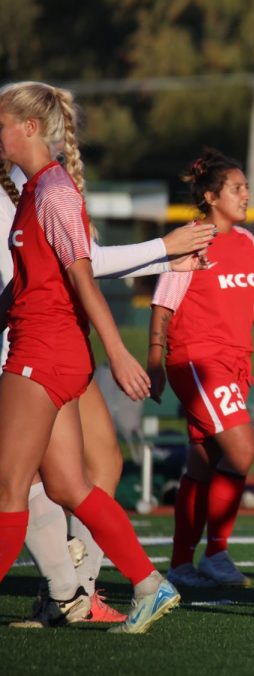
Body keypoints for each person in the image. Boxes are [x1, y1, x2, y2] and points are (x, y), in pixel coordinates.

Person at [0, 159, 213, 627]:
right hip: (46, 346)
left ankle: (70, 591)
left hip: (41, 349)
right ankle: (116, 586)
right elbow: (44, 276)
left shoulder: (47, 188)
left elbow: (84, 269)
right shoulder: (35, 189)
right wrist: (163, 252)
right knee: (64, 483)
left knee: (21, 484)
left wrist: (162, 252)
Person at [151, 148, 254, 590]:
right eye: (237, 188)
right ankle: (216, 553)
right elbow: (163, 304)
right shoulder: (194, 239)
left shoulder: (247, 243)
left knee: (204, 463)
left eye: (246, 188)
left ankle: (181, 566)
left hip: (232, 363)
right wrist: (153, 360)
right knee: (242, 449)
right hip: (197, 359)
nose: (246, 194)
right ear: (212, 196)